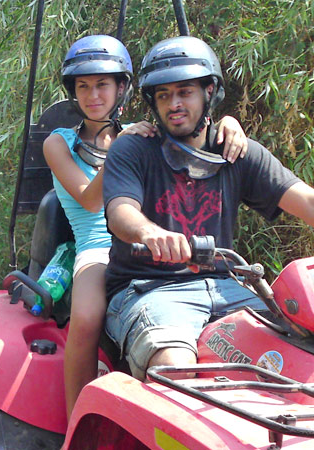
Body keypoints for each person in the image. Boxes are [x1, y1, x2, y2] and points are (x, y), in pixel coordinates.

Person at [43, 35, 248, 418]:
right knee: (87, 318)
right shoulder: (60, 142)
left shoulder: (145, 134)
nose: (93, 95)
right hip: (96, 245)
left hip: (149, 247)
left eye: (103, 85)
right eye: (83, 87)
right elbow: (90, 199)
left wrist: (230, 125)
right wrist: (122, 151)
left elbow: (199, 140)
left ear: (122, 88)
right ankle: (75, 421)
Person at [102, 36, 314, 381]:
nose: (174, 104)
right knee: (176, 370)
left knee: (294, 361)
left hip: (225, 286)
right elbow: (121, 212)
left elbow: (303, 199)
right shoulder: (134, 150)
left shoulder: (234, 150)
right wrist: (151, 233)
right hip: (148, 289)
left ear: (209, 92)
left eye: (184, 92)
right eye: (164, 95)